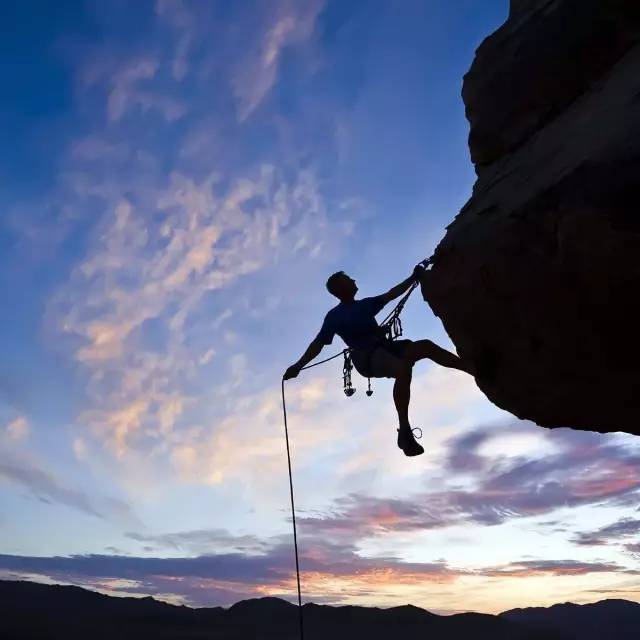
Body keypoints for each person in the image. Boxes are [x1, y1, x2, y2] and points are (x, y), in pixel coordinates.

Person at [283, 266, 471, 456]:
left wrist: (413, 277)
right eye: (349, 279)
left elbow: (391, 294)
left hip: (383, 348)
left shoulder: (364, 305)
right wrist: (298, 365)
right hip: (366, 358)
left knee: (425, 346)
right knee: (403, 369)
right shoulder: (334, 317)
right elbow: (318, 343)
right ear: (340, 288)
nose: (354, 281)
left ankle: (471, 368)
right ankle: (404, 430)